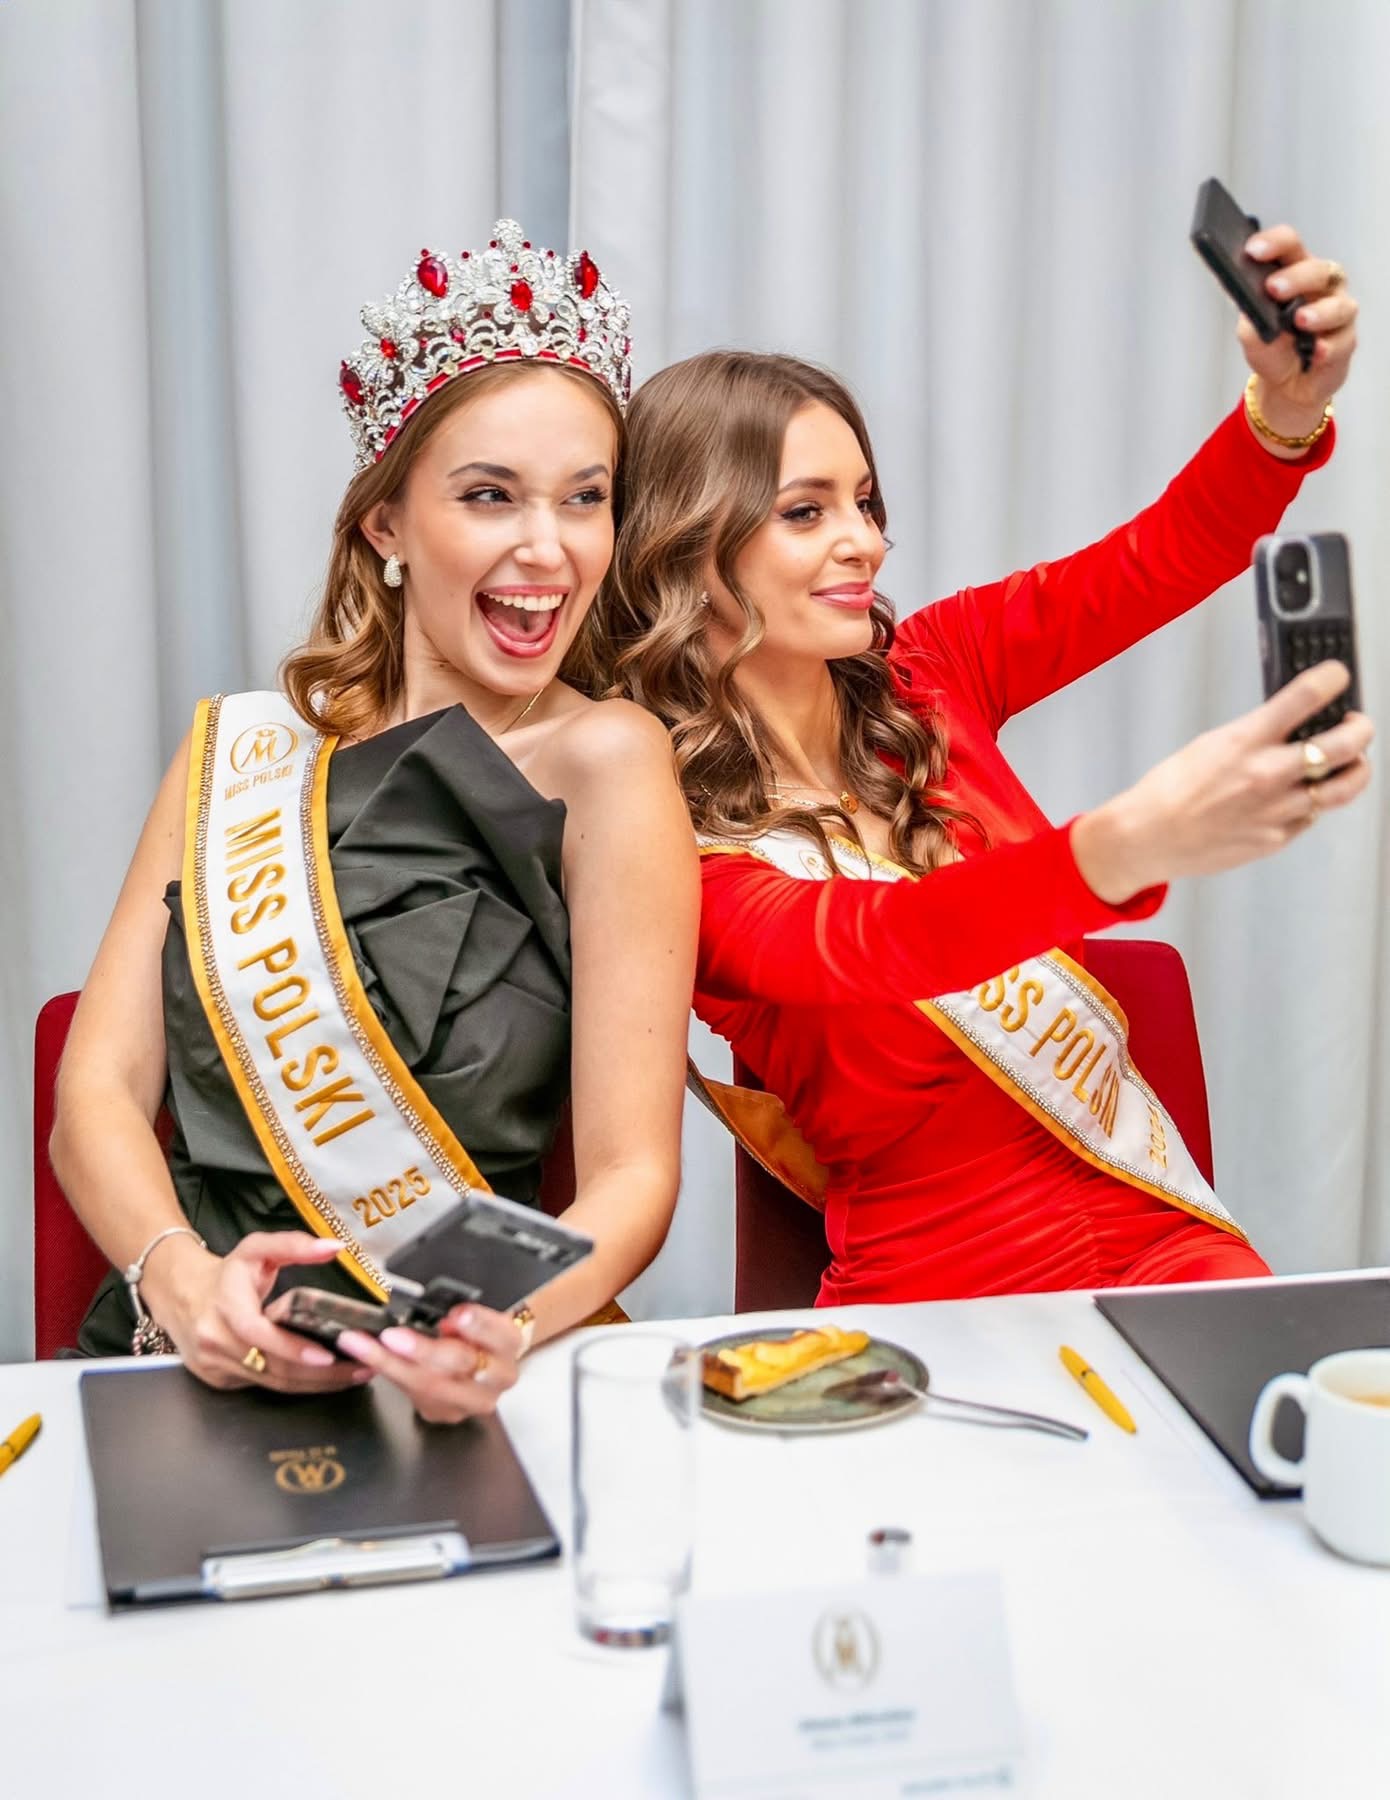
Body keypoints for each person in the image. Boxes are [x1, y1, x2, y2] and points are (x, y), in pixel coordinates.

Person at [586, 222, 1371, 1305]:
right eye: (806, 512)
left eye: (864, 502)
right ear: (685, 548)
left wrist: (1285, 408)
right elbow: (887, 943)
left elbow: (1160, 556)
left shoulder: (933, 671)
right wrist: (1126, 843)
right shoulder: (672, 837)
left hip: (1163, 1249)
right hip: (935, 1302)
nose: (865, 540)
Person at [52, 221, 698, 1419]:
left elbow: (633, 1176)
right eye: (489, 495)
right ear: (385, 523)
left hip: (452, 1366)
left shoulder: (609, 763)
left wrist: (490, 1331)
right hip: (187, 1351)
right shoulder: (236, 755)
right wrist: (183, 1287)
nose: (547, 548)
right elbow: (94, 1092)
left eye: (585, 498)